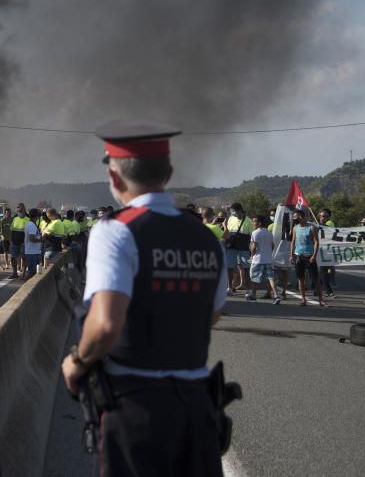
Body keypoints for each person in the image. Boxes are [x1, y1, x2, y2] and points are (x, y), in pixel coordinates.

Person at [61, 121, 227, 477]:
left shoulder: (116, 230)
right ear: (168, 172)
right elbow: (212, 314)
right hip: (198, 405)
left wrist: (76, 362)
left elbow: (106, 323)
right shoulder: (205, 236)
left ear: (115, 178)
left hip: (136, 406)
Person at [289, 208, 325, 306]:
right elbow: (293, 241)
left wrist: (314, 255)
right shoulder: (295, 228)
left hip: (309, 257)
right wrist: (291, 255)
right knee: (300, 279)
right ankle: (303, 299)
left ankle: (321, 299)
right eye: (294, 218)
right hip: (298, 257)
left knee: (315, 279)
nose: (295, 220)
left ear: (303, 217)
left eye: (296, 218)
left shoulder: (312, 228)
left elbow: (316, 242)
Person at [249, 215, 280, 304]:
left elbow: (254, 247)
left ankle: (253, 296)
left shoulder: (255, 233)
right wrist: (268, 252)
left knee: (254, 278)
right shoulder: (269, 233)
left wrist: (251, 256)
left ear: (260, 223)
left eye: (254, 221)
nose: (253, 223)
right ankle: (276, 296)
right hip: (268, 260)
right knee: (271, 278)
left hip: (258, 260)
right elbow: (272, 245)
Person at [223, 202, 253, 295]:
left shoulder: (249, 221)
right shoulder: (231, 219)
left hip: (244, 249)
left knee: (246, 268)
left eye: (233, 212)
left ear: (239, 210)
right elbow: (227, 233)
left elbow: (252, 237)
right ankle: (230, 288)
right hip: (231, 247)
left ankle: (248, 290)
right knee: (229, 268)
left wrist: (252, 253)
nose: (232, 214)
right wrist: (224, 226)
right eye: (231, 212)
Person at [317, 208, 336, 297]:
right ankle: (325, 290)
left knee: (324, 271)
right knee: (321, 272)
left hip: (326, 252)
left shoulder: (329, 228)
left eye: (326, 216)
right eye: (322, 216)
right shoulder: (315, 226)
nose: (323, 218)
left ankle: (323, 289)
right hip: (316, 252)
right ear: (319, 216)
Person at [22, 208, 42, 279]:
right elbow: (32, 238)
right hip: (32, 252)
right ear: (36, 216)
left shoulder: (31, 224)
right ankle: (26, 285)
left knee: (34, 272)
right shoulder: (31, 225)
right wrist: (41, 240)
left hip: (33, 252)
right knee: (32, 272)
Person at [9, 204, 28, 279]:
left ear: (24, 210)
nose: (19, 212)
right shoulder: (15, 219)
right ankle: (14, 273)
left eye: (20, 210)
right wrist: (11, 240)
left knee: (24, 258)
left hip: (24, 243)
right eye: (18, 211)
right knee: (13, 258)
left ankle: (23, 274)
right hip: (14, 242)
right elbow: (12, 230)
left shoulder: (28, 219)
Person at [0, 207, 13, 272]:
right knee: (5, 252)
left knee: (12, 251)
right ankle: (7, 264)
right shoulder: (2, 220)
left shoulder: (13, 219)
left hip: (11, 238)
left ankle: (12, 262)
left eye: (9, 213)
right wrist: (1, 236)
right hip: (5, 238)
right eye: (7, 213)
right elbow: (0, 229)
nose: (8, 214)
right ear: (5, 213)